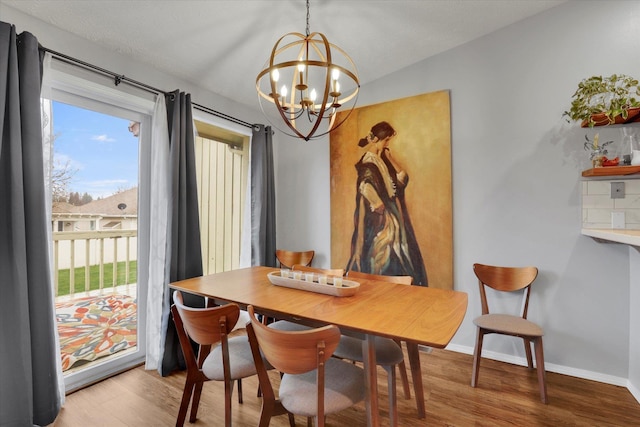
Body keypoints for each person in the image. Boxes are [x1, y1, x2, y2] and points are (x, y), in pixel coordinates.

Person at [346, 121, 428, 286]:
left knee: (401, 259)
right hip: (382, 224)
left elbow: (402, 179)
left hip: (393, 221)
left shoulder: (381, 160)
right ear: (376, 139)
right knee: (383, 262)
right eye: (386, 141)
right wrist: (380, 207)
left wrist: (391, 158)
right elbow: (365, 186)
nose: (387, 144)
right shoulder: (369, 163)